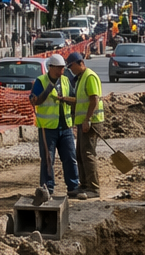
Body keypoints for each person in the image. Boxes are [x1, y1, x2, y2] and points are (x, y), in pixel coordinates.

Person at [29, 55, 81, 199]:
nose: (62, 70)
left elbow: (74, 99)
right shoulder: (41, 81)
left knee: (70, 157)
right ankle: (47, 188)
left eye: (63, 68)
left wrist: (65, 99)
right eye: (59, 68)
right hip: (48, 128)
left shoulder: (65, 80)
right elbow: (35, 101)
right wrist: (47, 91)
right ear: (51, 68)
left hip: (65, 127)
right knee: (48, 159)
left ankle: (73, 186)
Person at [69, 51, 104, 196]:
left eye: (72, 66)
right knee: (80, 154)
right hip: (84, 122)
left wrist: (87, 119)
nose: (71, 70)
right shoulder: (81, 78)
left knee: (88, 153)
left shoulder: (89, 76)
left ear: (80, 63)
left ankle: (94, 188)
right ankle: (84, 185)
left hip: (91, 122)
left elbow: (94, 99)